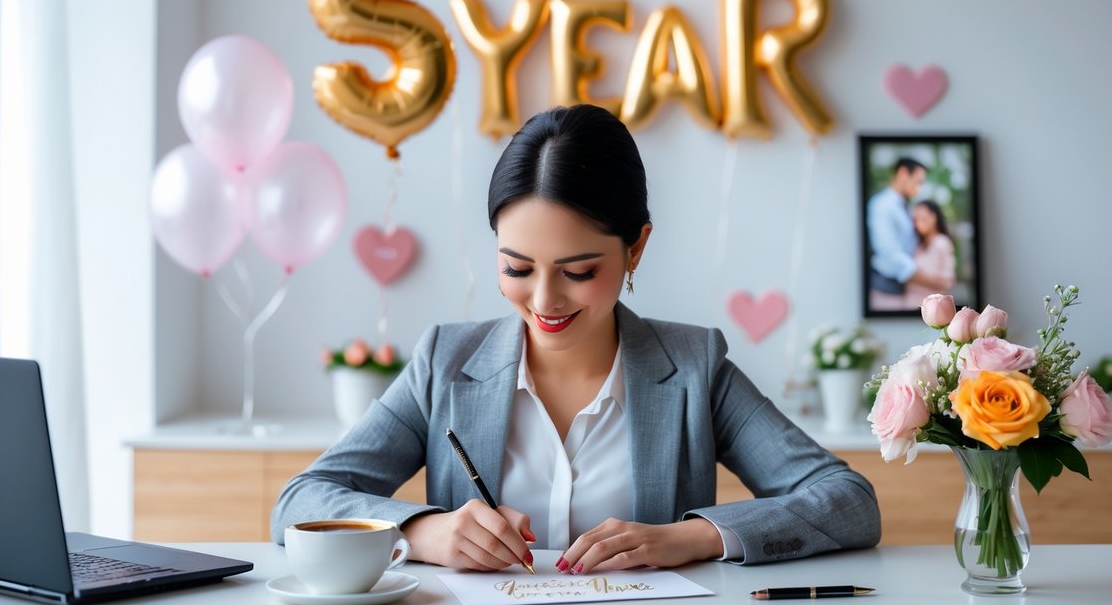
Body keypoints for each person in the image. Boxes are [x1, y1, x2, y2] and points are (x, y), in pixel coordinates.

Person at [272, 105, 880, 573]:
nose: (543, 301)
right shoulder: (445, 363)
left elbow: (848, 500)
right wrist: (422, 532)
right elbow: (300, 501)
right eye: (516, 268)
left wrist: (691, 537)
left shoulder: (695, 367)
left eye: (578, 272)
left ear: (636, 246)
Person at [866, 157, 949, 311]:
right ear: (903, 173)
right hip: (886, 289)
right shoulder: (883, 205)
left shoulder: (904, 206)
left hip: (905, 288)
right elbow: (890, 253)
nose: (919, 188)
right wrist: (936, 282)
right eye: (918, 182)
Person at [904, 200, 957, 309]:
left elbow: (948, 282)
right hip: (911, 304)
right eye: (915, 220)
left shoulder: (942, 242)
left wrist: (913, 277)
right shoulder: (918, 244)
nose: (919, 223)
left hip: (931, 309)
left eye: (923, 218)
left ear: (934, 217)